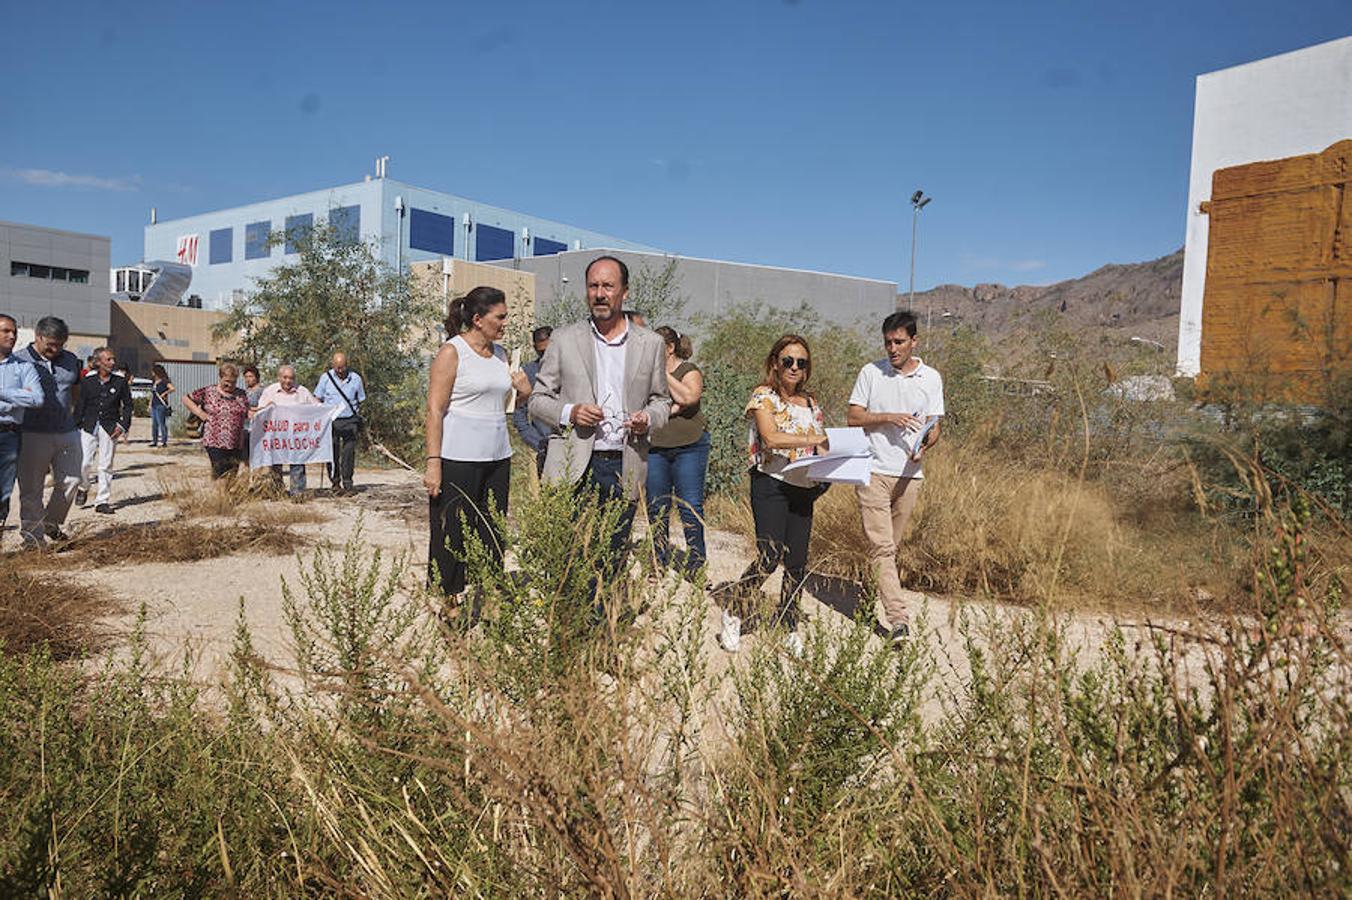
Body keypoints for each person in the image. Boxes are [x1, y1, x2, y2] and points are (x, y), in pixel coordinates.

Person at [527, 256, 670, 619]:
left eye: (608, 286)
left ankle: (602, 634)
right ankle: (569, 634)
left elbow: (662, 402)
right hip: (574, 465)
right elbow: (537, 401)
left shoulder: (650, 343)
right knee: (570, 554)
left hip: (623, 463)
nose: (600, 294)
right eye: (593, 286)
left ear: (624, 291)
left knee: (613, 554)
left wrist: (646, 420)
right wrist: (570, 412)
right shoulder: (563, 339)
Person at [718, 334, 829, 657]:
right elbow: (770, 437)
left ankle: (790, 622)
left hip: (804, 486)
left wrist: (831, 459)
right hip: (770, 483)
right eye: (788, 361)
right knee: (769, 556)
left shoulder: (811, 403)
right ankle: (735, 611)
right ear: (775, 364)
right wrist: (812, 437)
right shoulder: (763, 396)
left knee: (797, 562)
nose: (795, 368)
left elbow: (821, 445)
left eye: (801, 363)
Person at [424, 286, 531, 614]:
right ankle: (449, 602)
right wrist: (433, 463)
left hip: (498, 457)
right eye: (500, 317)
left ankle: (488, 597)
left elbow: (508, 404)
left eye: (506, 317)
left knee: (492, 529)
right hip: (458, 458)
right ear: (477, 319)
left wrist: (525, 393)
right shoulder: (452, 352)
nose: (505, 323)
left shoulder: (502, 355)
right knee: (451, 530)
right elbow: (434, 410)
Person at [847, 311, 944, 645]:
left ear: (914, 341)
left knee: (887, 550)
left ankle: (863, 601)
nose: (892, 348)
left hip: (910, 475)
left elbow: (935, 426)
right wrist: (889, 418)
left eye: (899, 341)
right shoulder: (871, 372)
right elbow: (853, 416)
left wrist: (924, 446)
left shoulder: (931, 378)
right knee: (883, 547)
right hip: (872, 470)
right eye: (888, 342)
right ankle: (899, 620)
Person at [645, 326, 710, 581]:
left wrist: (662, 373)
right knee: (656, 506)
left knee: (690, 506)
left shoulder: (689, 371)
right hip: (655, 448)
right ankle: (657, 560)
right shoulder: (646, 374)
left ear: (669, 348)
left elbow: (689, 397)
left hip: (690, 445)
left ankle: (696, 564)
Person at [16, 316, 83, 547]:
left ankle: (51, 524)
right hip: (31, 433)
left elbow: (74, 389)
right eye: (51, 344)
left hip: (66, 430)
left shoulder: (71, 360)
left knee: (72, 480)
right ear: (38, 336)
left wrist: (71, 414)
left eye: (61, 344)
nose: (56, 349)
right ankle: (32, 540)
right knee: (32, 488)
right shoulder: (18, 361)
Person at [72, 348, 133, 514]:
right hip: (88, 426)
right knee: (83, 462)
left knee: (105, 464)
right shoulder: (88, 381)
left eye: (113, 359)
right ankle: (84, 486)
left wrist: (122, 425)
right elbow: (81, 405)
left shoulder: (120, 382)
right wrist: (74, 425)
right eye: (108, 360)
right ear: (98, 362)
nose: (112, 363)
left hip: (110, 427)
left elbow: (128, 405)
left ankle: (102, 501)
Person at [0, 314, 42, 543]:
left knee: (3, 490)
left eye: (14, 331)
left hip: (8, 434)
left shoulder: (25, 368)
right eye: (6, 331)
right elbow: (25, 397)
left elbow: (36, 399)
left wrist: (3, 393)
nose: (12, 335)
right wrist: (17, 397)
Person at [256, 365, 319, 495]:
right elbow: (260, 412)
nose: (288, 381)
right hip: (276, 436)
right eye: (285, 377)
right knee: (275, 465)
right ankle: (277, 492)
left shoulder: (302, 392)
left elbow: (316, 408)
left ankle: (298, 493)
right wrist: (266, 407)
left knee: (297, 465)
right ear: (279, 377)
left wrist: (328, 410)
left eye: (291, 378)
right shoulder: (270, 391)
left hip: (296, 437)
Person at [182, 363, 251, 479]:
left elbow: (246, 412)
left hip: (236, 442)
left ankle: (227, 497)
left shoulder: (241, 394)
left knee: (232, 474)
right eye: (227, 381)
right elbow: (186, 398)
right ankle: (219, 495)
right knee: (220, 474)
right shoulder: (209, 391)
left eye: (233, 382)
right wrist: (200, 413)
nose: (230, 384)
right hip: (215, 440)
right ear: (220, 377)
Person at [314, 351, 366, 495]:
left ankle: (348, 482)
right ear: (333, 365)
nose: (340, 371)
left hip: (350, 420)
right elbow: (317, 397)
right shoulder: (325, 378)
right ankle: (335, 482)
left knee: (348, 453)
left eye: (342, 367)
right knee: (332, 452)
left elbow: (361, 400)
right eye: (337, 368)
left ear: (347, 365)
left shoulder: (356, 379)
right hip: (331, 421)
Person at [511, 326, 553, 475]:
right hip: (543, 447)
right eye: (541, 352)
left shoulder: (573, 369)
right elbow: (519, 415)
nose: (546, 356)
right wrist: (538, 443)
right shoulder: (527, 373)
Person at [149, 363, 174, 447]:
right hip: (154, 405)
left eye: (153, 371)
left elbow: (172, 388)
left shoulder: (164, 381)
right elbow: (153, 394)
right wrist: (149, 405)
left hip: (160, 405)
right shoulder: (154, 382)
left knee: (161, 423)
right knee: (154, 424)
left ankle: (164, 441)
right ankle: (154, 441)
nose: (152, 373)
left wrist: (164, 393)